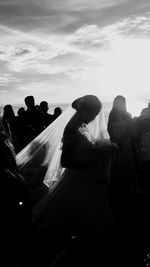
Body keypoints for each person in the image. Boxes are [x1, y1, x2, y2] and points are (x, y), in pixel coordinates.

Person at [24, 95, 121, 267]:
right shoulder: (71, 129)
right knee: (67, 221)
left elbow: (84, 151)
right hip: (76, 182)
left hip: (86, 182)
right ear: (86, 111)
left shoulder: (81, 127)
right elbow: (66, 161)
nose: (94, 118)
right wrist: (93, 161)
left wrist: (99, 153)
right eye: (94, 114)